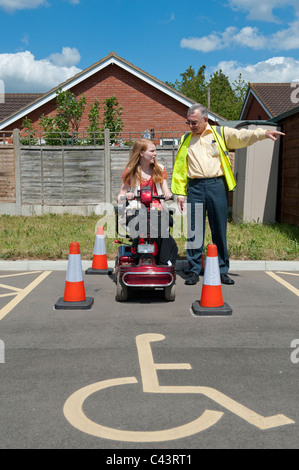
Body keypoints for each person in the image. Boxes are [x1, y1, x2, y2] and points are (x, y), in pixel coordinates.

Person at [171, 103, 285, 286]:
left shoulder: (220, 134)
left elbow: (241, 137)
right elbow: (180, 169)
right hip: (195, 187)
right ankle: (193, 270)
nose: (190, 126)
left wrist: (262, 134)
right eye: (188, 122)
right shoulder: (186, 139)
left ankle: (222, 270)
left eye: (194, 122)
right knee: (194, 231)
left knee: (219, 230)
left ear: (205, 120)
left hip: (217, 185)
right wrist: (180, 194)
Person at [117, 138, 178, 265]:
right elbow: (120, 195)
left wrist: (168, 195)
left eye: (155, 151)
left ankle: (163, 262)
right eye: (152, 151)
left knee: (163, 233)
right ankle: (139, 255)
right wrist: (126, 195)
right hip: (136, 209)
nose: (155, 154)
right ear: (141, 153)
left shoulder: (159, 169)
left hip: (157, 209)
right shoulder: (131, 171)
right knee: (141, 227)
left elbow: (166, 191)